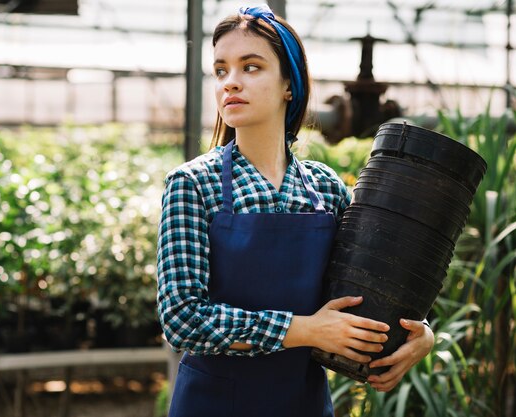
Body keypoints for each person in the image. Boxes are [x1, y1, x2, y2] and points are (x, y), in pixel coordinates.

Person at [156, 4, 434, 416]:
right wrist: (303, 329)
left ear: (290, 84)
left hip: (304, 402)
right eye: (220, 70)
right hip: (214, 404)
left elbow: (375, 284)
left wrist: (421, 334)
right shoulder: (193, 184)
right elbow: (182, 318)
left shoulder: (324, 188)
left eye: (251, 67)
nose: (230, 82)